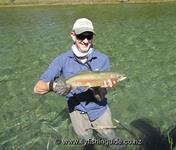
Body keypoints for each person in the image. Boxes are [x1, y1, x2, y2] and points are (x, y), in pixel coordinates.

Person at [34, 18, 126, 150]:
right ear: (73, 35)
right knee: (87, 145)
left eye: (89, 36)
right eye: (81, 36)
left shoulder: (102, 59)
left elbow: (100, 97)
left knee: (114, 142)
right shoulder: (61, 60)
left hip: (99, 109)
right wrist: (54, 86)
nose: (86, 41)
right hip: (76, 111)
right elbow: (37, 88)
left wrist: (101, 88)